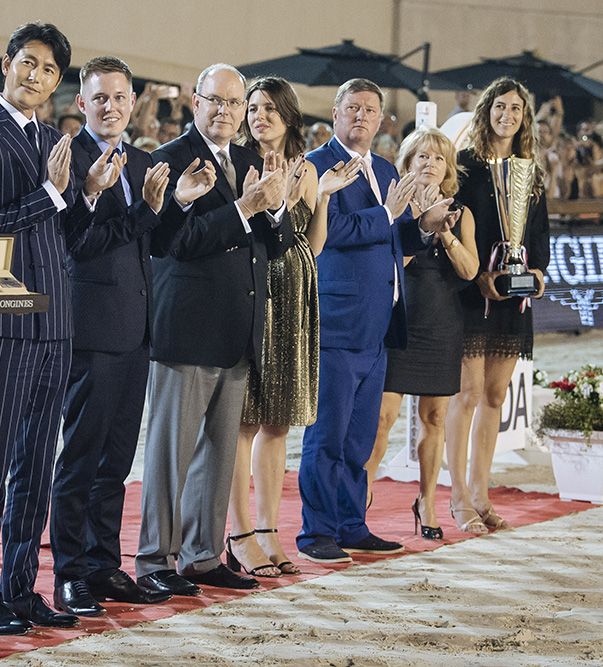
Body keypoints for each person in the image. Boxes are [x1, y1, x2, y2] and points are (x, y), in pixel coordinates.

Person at [0, 21, 117, 634]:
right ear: (6, 63)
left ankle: (20, 589)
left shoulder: (53, 138)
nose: (37, 76)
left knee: (35, 468)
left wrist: (90, 195)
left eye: (49, 70)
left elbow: (68, 240)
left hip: (56, 322)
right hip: (3, 318)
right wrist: (53, 193)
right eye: (29, 62)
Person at [49, 55, 217, 616]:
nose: (112, 107)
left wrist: (182, 203)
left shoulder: (143, 160)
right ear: (82, 103)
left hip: (138, 330)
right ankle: (69, 573)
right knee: (80, 458)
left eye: (121, 97)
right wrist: (148, 211)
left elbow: (160, 243)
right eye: (100, 98)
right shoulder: (67, 160)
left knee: (116, 462)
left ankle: (103, 564)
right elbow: (79, 244)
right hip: (92, 328)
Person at [135, 63, 293, 595]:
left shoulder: (251, 159)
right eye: (216, 101)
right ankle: (156, 558)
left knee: (221, 452)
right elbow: (174, 243)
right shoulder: (169, 159)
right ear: (195, 103)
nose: (226, 111)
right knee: (170, 453)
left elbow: (274, 244)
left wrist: (274, 209)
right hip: (186, 328)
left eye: (235, 102)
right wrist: (246, 208)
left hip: (237, 327)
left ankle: (203, 555)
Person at [298, 78, 455, 563]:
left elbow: (393, 239)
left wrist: (424, 229)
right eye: (352, 108)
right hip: (337, 319)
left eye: (370, 110)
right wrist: (387, 214)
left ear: (381, 118)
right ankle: (315, 532)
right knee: (327, 435)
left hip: (379, 324)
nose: (361, 117)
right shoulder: (315, 166)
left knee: (360, 436)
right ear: (335, 112)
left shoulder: (386, 168)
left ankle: (351, 524)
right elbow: (327, 232)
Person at [227, 76, 360, 578]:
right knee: (243, 419)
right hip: (254, 293)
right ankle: (239, 535)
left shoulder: (308, 169)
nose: (260, 116)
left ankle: (267, 529)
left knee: (277, 421)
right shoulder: (236, 163)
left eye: (269, 109)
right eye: (253, 108)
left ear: (289, 116)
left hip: (297, 296)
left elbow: (316, 244)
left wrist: (322, 197)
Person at [363, 127, 479, 541]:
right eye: (421, 157)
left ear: (448, 169)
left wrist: (444, 230)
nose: (429, 164)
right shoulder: (392, 208)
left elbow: (469, 271)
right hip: (399, 321)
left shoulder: (461, 213)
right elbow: (393, 262)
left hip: (442, 324)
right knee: (382, 418)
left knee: (434, 418)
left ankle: (427, 500)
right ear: (407, 163)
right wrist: (419, 224)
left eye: (438, 159)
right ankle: (362, 495)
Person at [445, 77, 550, 534]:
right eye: (500, 106)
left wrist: (539, 272)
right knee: (466, 396)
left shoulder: (531, 170)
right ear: (486, 109)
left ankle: (482, 493)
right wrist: (479, 278)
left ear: (525, 117)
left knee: (494, 396)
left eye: (516, 108)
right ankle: (457, 498)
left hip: (512, 302)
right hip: (471, 296)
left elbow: (539, 232)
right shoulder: (464, 166)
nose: (508, 115)